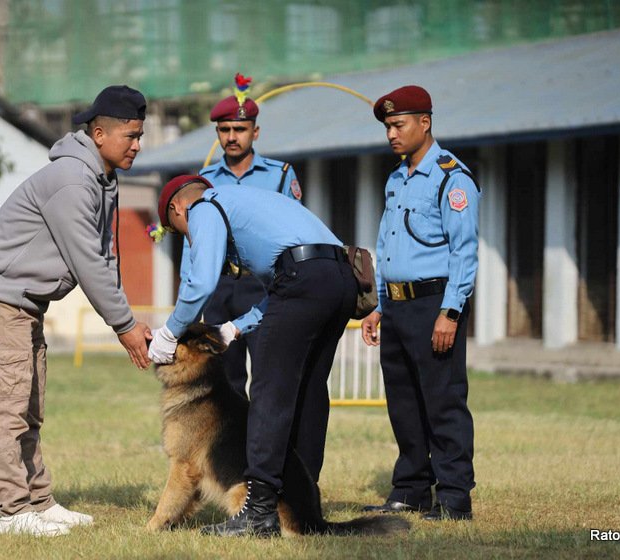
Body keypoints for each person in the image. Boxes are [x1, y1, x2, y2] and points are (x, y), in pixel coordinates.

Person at [0, 85, 153, 537]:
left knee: (30, 405)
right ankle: (12, 513)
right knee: (9, 408)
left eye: (141, 135)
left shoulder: (102, 178)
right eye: (131, 136)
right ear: (100, 134)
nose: (138, 145)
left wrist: (126, 317)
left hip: (24, 304)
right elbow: (87, 260)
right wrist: (123, 324)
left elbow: (105, 257)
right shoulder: (72, 179)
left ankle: (39, 502)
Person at [148, 175, 357, 537]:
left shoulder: (205, 206)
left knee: (267, 395)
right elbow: (284, 286)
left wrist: (171, 331)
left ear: (178, 208)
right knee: (307, 393)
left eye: (179, 230)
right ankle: (302, 510)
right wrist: (236, 327)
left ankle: (258, 513)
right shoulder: (249, 205)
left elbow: (202, 281)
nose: (189, 237)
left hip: (305, 278)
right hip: (340, 277)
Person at [360, 85, 480, 521]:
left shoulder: (452, 178)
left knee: (442, 401)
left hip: (434, 306)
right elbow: (388, 246)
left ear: (424, 123)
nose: (391, 134)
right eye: (388, 127)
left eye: (398, 124)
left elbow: (464, 253)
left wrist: (450, 313)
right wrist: (380, 306)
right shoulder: (396, 179)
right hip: (397, 307)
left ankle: (453, 497)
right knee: (404, 403)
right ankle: (410, 488)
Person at [184, 74, 302, 398]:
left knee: (268, 379)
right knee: (225, 384)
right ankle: (232, 449)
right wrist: (188, 304)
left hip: (264, 287)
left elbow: (295, 236)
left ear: (255, 131)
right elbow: (191, 245)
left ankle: (265, 449)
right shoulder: (204, 181)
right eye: (224, 130)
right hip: (220, 290)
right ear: (217, 134)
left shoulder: (280, 176)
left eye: (240, 129)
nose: (232, 137)